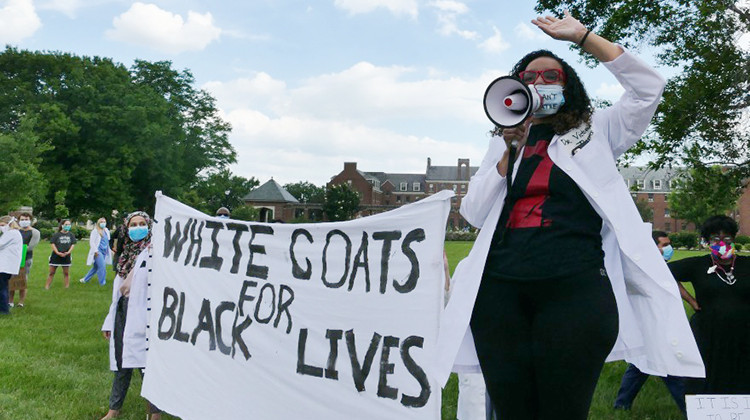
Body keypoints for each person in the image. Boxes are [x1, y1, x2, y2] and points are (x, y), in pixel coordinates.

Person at [441, 10, 703, 419]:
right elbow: (473, 213)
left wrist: (583, 37)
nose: (539, 83)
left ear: (568, 86)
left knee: (563, 409)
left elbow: (648, 89)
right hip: (500, 293)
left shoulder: (598, 129)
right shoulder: (504, 140)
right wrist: (509, 152)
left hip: (574, 288)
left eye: (551, 77)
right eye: (529, 78)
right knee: (513, 410)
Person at [668, 215, 750, 394]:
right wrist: (690, 299)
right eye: (715, 239)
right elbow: (663, 272)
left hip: (744, 333)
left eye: (727, 239)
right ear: (707, 242)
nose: (722, 243)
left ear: (734, 239)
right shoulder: (698, 264)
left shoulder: (746, 265)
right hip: (708, 332)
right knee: (707, 374)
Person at [613, 231, 686, 413]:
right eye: (663, 244)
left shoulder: (659, 266)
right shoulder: (639, 268)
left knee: (640, 366)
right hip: (649, 323)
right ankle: (690, 409)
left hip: (658, 324)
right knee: (667, 367)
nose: (667, 248)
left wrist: (692, 302)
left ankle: (621, 405)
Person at [100, 211, 161, 420]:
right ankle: (113, 410)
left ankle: (154, 413)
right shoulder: (125, 254)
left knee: (147, 366)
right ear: (126, 228)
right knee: (121, 363)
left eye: (142, 223)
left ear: (150, 226)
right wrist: (109, 322)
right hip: (122, 314)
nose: (138, 228)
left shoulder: (156, 252)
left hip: (146, 316)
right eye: (133, 224)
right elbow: (117, 294)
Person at [9, 212, 39, 307]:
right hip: (13, 258)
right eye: (22, 219)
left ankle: (21, 302)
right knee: (11, 280)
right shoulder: (15, 231)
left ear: (30, 220)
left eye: (26, 219)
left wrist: (17, 248)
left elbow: (31, 246)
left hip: (26, 259)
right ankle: (10, 301)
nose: (24, 221)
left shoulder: (35, 232)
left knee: (23, 280)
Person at [0, 216, 24, 315]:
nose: (1, 227)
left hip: (5, 266)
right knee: (3, 287)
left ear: (9, 224)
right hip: (6, 265)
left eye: (2, 225)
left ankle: (4, 310)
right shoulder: (12, 233)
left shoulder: (11, 233)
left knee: (2, 288)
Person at [80, 217, 113, 286]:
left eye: (104, 222)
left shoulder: (106, 230)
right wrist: (95, 251)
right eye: (101, 222)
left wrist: (110, 250)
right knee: (102, 266)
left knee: (95, 267)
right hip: (98, 251)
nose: (103, 223)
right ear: (98, 223)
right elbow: (92, 242)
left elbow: (107, 241)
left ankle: (85, 279)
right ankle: (102, 282)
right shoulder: (95, 231)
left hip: (104, 251)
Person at [45, 219, 77, 289]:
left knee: (66, 273)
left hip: (66, 256)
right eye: (66, 224)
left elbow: (73, 244)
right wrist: (57, 252)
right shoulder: (57, 235)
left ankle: (66, 286)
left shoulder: (71, 235)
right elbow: (52, 244)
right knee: (51, 272)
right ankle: (47, 286)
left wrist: (68, 252)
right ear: (62, 225)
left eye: (69, 225)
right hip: (56, 256)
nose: (67, 226)